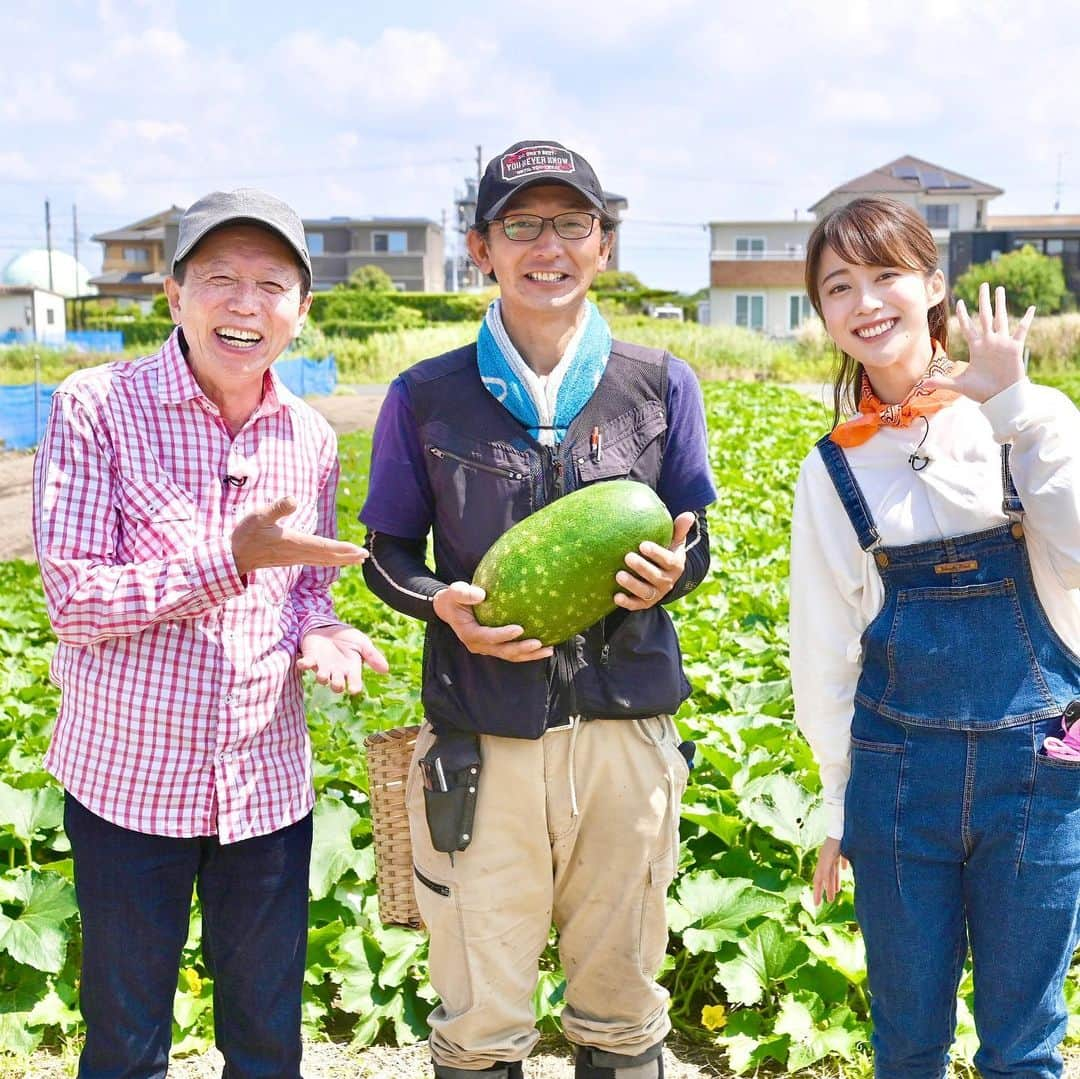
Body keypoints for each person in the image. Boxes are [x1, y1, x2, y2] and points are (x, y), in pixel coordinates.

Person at [360, 140, 716, 1079]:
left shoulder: (660, 382)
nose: (546, 245)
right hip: (483, 743)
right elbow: (385, 555)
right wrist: (445, 605)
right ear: (482, 246)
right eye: (521, 224)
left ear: (604, 245)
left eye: (572, 223)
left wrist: (669, 577)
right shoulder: (423, 395)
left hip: (623, 734)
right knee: (480, 1015)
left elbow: (695, 539)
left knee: (624, 1004)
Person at [32, 188, 389, 1079]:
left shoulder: (309, 437)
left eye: (272, 284)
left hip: (265, 785)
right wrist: (227, 560)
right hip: (128, 782)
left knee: (268, 1042)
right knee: (126, 1042)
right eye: (221, 279)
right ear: (174, 293)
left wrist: (320, 631)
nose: (245, 303)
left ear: (300, 311)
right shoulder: (95, 405)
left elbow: (303, 588)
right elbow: (74, 598)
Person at [790, 195, 1080, 1078]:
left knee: (1023, 1046)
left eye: (885, 275)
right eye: (840, 285)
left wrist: (1014, 408)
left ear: (932, 284)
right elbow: (825, 644)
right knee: (907, 1043)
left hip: (1036, 771)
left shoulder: (1028, 418)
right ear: (825, 315)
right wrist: (836, 804)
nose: (866, 301)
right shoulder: (833, 463)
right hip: (894, 776)